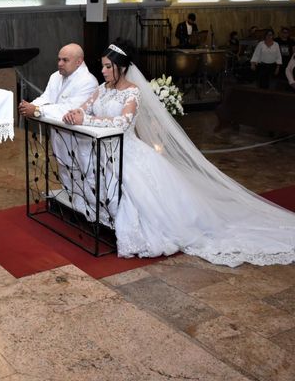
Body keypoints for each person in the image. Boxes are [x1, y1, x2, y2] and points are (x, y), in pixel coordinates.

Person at [62, 42, 295, 267]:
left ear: (121, 68)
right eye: (102, 66)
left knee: (139, 193)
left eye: (107, 67)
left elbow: (123, 122)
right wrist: (76, 113)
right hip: (103, 150)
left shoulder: (132, 92)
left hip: (127, 150)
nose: (102, 71)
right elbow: (85, 107)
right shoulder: (101, 89)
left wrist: (88, 119)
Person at [18, 43, 98, 203]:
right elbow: (46, 97)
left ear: (79, 61)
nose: (60, 63)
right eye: (59, 59)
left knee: (83, 172)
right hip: (57, 133)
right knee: (63, 167)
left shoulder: (88, 81)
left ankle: (88, 207)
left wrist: (37, 110)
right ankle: (71, 202)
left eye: (65, 60)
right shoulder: (55, 76)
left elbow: (70, 110)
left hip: (80, 137)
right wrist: (30, 105)